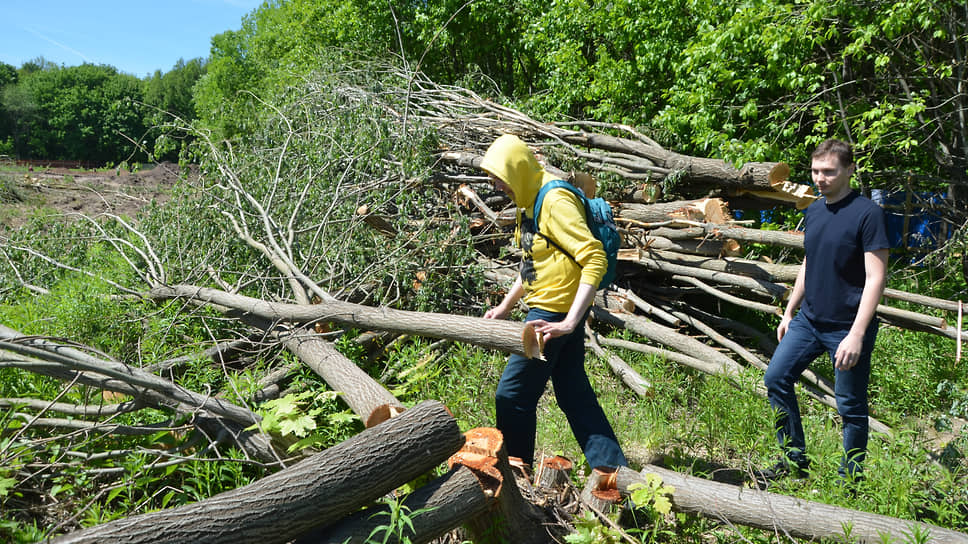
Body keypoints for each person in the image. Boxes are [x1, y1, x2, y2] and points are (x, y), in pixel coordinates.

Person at [480, 134, 627, 472]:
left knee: (512, 395)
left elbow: (593, 258)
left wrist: (569, 322)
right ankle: (615, 473)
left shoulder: (555, 199)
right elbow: (533, 261)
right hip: (552, 309)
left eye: (498, 178)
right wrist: (504, 307)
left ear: (515, 170)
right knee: (574, 393)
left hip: (554, 314)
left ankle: (516, 478)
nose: (495, 186)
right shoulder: (528, 200)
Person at [761, 139, 889, 484]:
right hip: (809, 321)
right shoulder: (814, 210)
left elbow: (876, 277)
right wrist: (789, 311)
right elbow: (809, 261)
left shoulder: (868, 214)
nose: (820, 178)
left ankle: (850, 481)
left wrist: (857, 334)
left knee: (849, 405)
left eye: (829, 171)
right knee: (776, 378)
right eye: (816, 171)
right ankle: (793, 461)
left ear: (849, 170)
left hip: (846, 327)